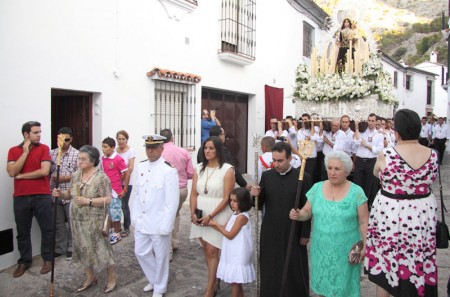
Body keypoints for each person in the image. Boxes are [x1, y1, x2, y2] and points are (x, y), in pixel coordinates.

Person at [364, 109, 439, 297]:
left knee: (386, 260)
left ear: (396, 132)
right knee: (418, 256)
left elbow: (376, 173)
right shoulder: (433, 154)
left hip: (392, 212)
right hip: (421, 214)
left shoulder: (387, 154)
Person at [289, 151, 368, 297]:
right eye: (329, 168)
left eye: (337, 169)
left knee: (343, 290)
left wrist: (366, 244)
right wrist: (299, 215)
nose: (332, 172)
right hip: (321, 250)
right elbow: (307, 212)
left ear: (347, 170)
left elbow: (364, 222)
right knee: (324, 290)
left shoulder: (357, 192)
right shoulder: (317, 188)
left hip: (345, 251)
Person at [52, 145, 116, 293]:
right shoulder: (75, 175)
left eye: (83, 159)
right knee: (82, 248)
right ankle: (90, 276)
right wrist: (60, 194)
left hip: (94, 220)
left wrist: (89, 201)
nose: (79, 161)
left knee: (101, 249)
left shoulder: (101, 177)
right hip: (77, 219)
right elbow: (69, 195)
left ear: (93, 161)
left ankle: (111, 277)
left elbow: (108, 199)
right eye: (79, 158)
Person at [251, 141, 312, 297]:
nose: (276, 164)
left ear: (290, 158)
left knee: (293, 265)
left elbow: (309, 207)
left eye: (280, 161)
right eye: (274, 160)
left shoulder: (303, 177)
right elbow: (258, 205)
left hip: (292, 229)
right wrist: (256, 195)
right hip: (270, 229)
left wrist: (305, 233)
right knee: (270, 264)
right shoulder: (267, 175)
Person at [132, 135, 179, 297]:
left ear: (161, 148)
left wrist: (166, 225)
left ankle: (159, 287)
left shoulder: (168, 170)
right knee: (140, 251)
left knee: (161, 257)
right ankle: (153, 279)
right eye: (147, 147)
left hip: (159, 222)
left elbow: (172, 202)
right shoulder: (141, 167)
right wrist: (134, 217)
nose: (150, 151)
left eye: (154, 148)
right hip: (143, 221)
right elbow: (137, 194)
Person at [7, 121, 54, 277]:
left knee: (47, 229)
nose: (39, 135)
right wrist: (25, 152)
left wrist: (22, 176)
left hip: (42, 195)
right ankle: (24, 262)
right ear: (26, 134)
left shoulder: (44, 148)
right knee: (22, 231)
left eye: (40, 132)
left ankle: (48, 259)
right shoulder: (14, 151)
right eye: (35, 132)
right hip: (21, 197)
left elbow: (44, 171)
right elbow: (12, 171)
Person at [189, 136, 235, 297]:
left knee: (212, 250)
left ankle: (210, 289)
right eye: (205, 148)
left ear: (218, 150)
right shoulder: (199, 168)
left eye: (211, 148)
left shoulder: (227, 169)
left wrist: (212, 216)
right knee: (206, 251)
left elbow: (227, 197)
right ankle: (214, 280)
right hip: (201, 212)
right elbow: (193, 193)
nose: (207, 151)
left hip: (218, 212)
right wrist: (193, 212)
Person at [209, 187, 255, 297]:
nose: (232, 203)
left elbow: (230, 235)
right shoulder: (234, 214)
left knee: (235, 281)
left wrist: (216, 226)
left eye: (235, 201)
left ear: (242, 202)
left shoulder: (241, 217)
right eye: (231, 200)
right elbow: (226, 228)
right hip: (232, 251)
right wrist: (212, 224)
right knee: (236, 281)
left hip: (239, 252)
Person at [160, 128, 194, 257]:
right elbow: (191, 173)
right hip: (181, 189)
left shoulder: (160, 153)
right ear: (172, 138)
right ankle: (175, 242)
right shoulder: (183, 151)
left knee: (165, 215)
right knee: (175, 213)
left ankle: (167, 247)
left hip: (165, 190)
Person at [50, 127, 79, 261]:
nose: (64, 142)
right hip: (55, 193)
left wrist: (65, 178)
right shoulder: (53, 153)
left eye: (67, 139)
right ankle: (59, 248)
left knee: (72, 223)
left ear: (71, 139)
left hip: (69, 193)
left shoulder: (77, 154)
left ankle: (71, 248)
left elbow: (80, 174)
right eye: (61, 139)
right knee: (58, 223)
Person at [198, 126, 251, 190]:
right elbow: (232, 169)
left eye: (211, 148)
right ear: (220, 136)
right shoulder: (223, 150)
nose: (207, 151)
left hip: (204, 184)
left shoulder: (201, 149)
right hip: (219, 185)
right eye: (224, 134)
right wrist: (244, 184)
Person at [101, 137, 129, 244]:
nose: (103, 149)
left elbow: (126, 173)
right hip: (105, 190)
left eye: (105, 147)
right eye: (102, 146)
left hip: (115, 191)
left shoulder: (118, 159)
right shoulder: (102, 159)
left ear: (112, 148)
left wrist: (124, 189)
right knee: (108, 212)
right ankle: (111, 231)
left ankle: (117, 233)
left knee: (115, 213)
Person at [353, 113, 384, 208]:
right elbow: (356, 141)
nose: (370, 123)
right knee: (357, 183)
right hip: (360, 161)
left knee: (368, 184)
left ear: (376, 122)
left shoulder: (379, 135)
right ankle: (355, 205)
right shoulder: (362, 131)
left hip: (371, 162)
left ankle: (365, 206)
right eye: (369, 120)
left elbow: (379, 150)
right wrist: (357, 128)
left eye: (372, 121)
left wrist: (367, 145)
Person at [116, 130, 135, 238]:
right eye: (119, 139)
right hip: (116, 183)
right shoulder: (115, 151)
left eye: (123, 139)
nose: (121, 141)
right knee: (115, 205)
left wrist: (122, 177)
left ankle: (127, 227)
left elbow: (131, 167)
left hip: (127, 182)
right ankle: (116, 226)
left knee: (124, 204)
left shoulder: (130, 151)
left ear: (127, 140)